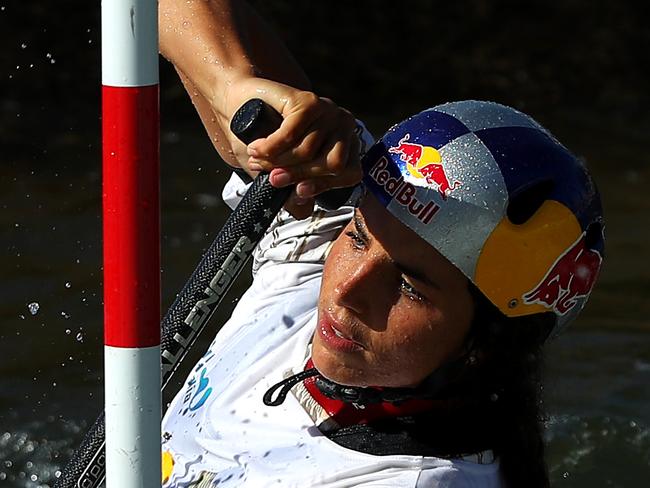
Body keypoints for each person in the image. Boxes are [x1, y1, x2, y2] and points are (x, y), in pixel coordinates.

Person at [158, 1, 605, 486]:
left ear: (484, 347)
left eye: (411, 288)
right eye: (356, 236)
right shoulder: (323, 240)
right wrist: (234, 86)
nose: (347, 288)